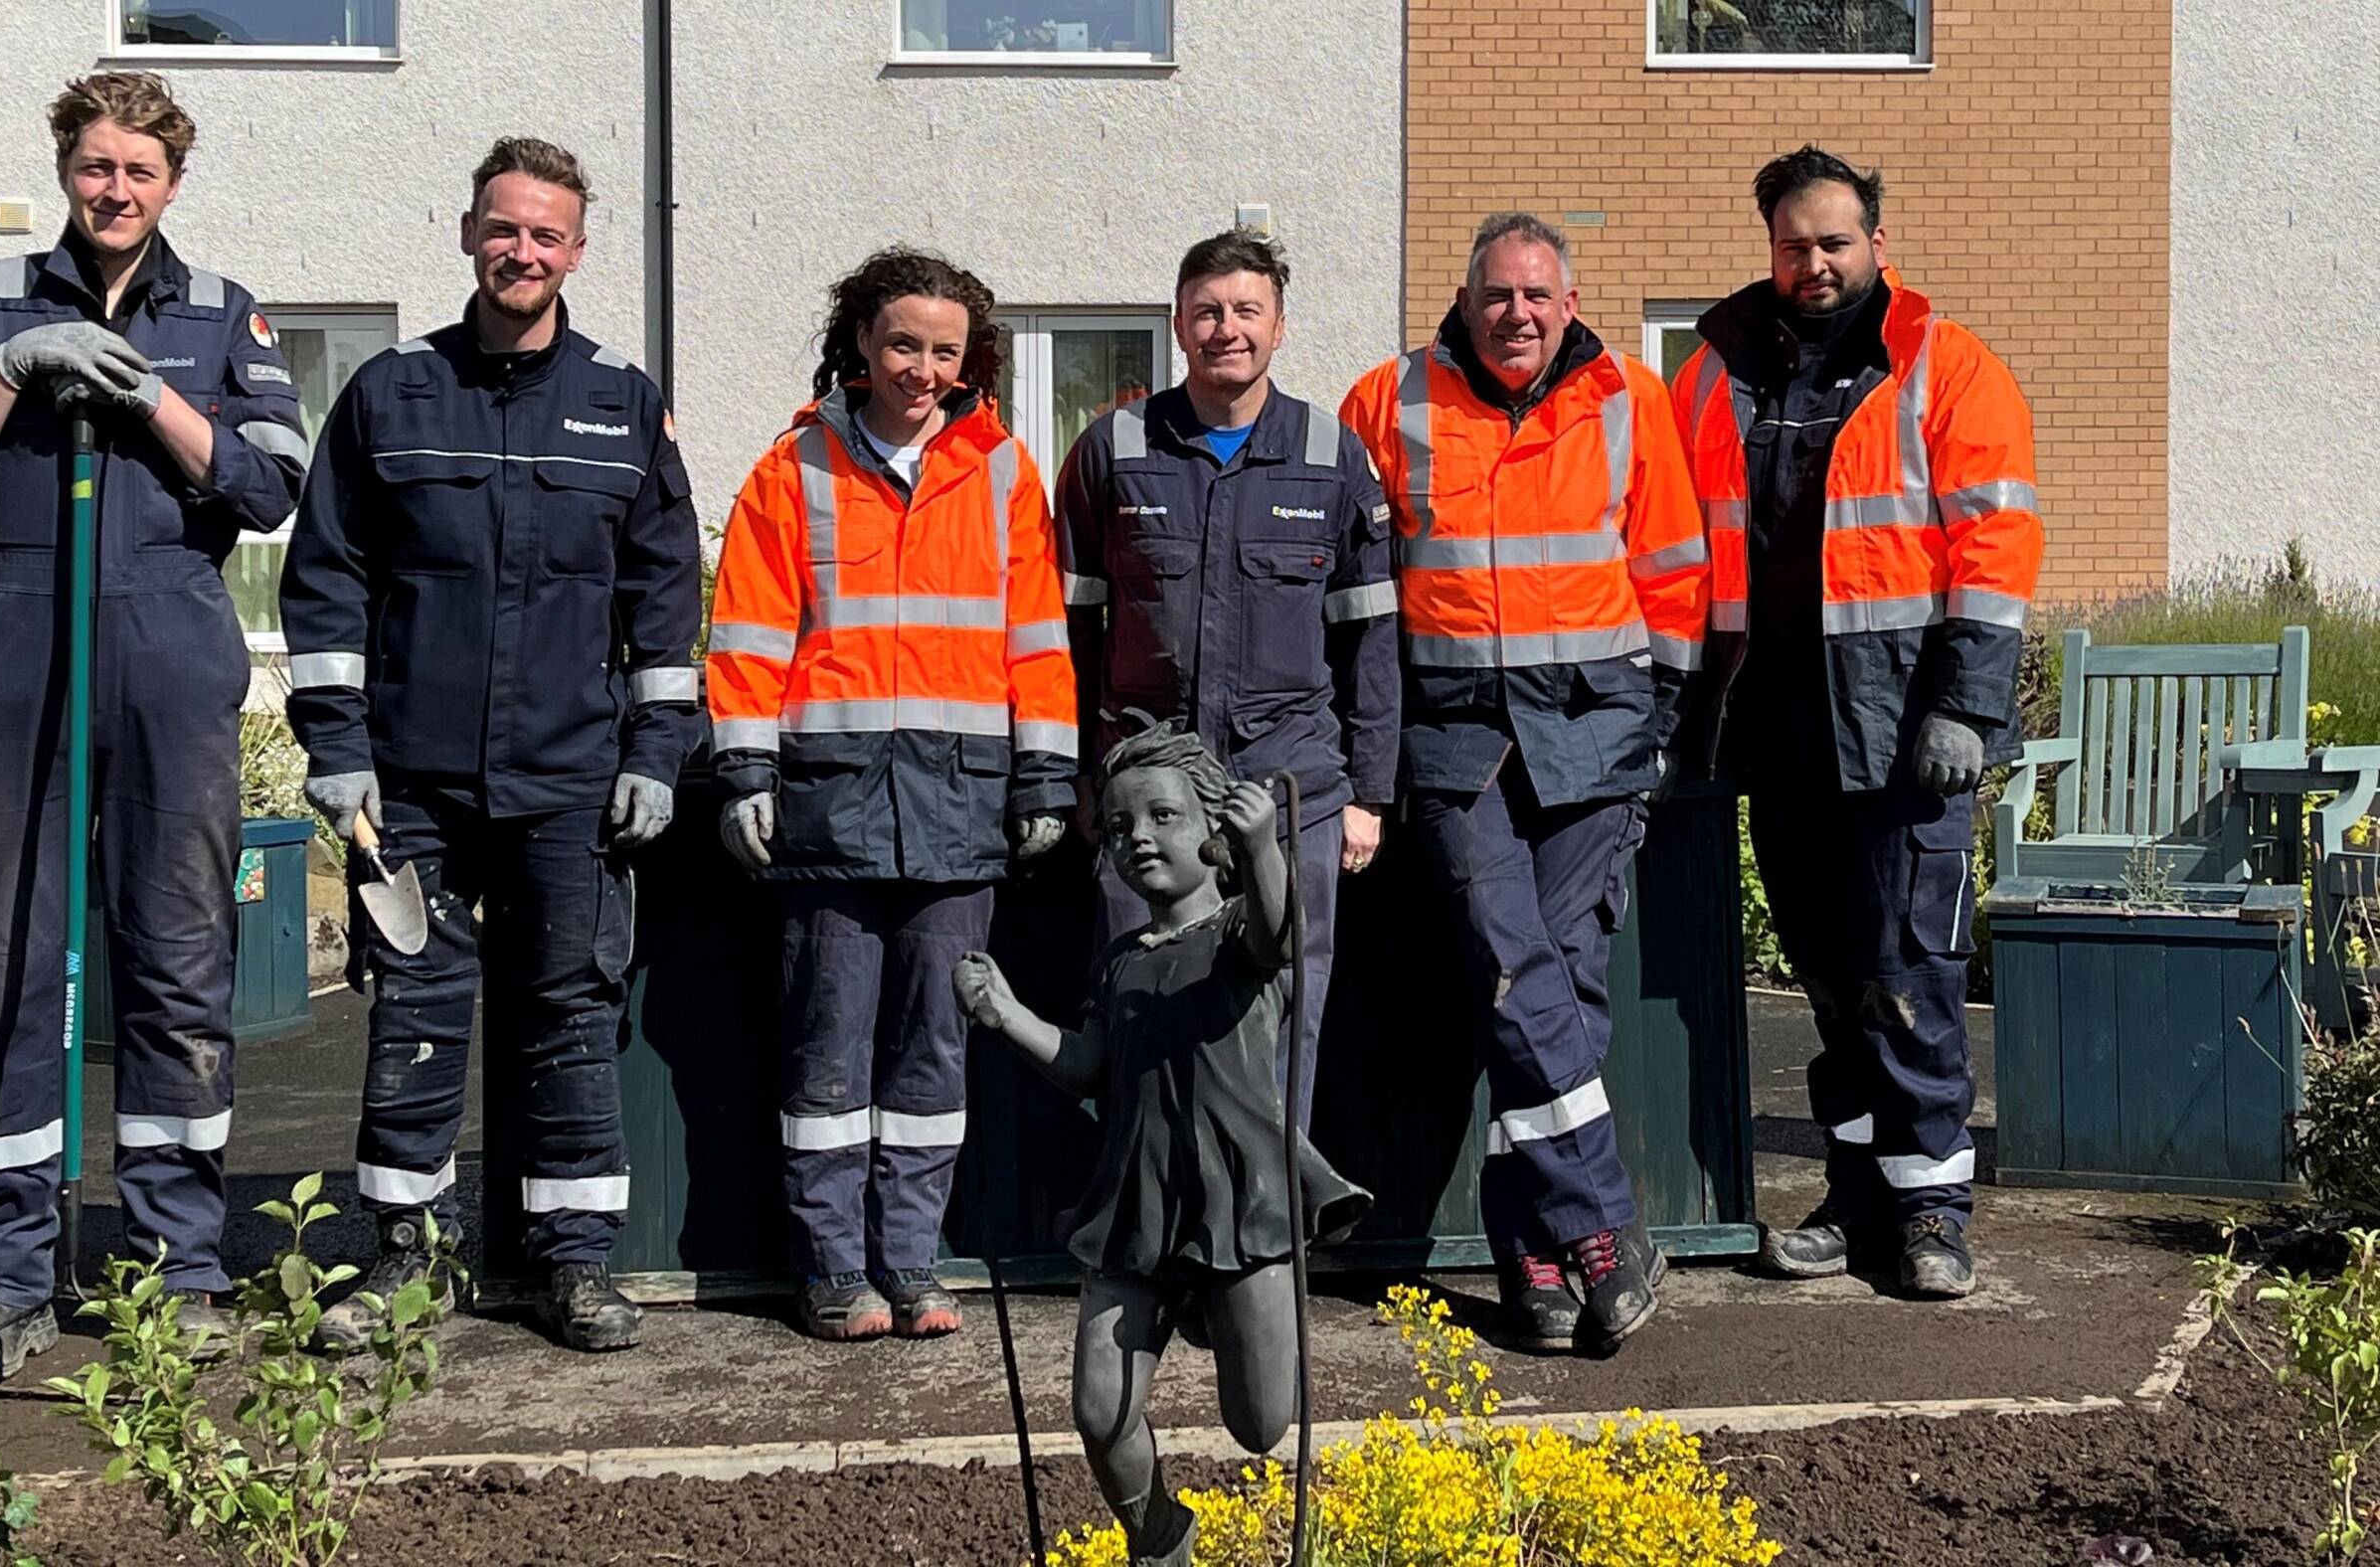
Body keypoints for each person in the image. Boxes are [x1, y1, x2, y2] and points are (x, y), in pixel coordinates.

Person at [0, 73, 304, 1378]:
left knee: (182, 956)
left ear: (174, 181)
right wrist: (15, 373)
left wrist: (151, 403)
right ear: (64, 168)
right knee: (8, 962)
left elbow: (271, 479)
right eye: (94, 168)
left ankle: (177, 1264)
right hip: (18, 643)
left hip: (170, 647)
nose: (115, 192)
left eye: (141, 172)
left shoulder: (224, 314)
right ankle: (9, 1265)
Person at [279, 136, 701, 1353]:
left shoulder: (623, 403)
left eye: (547, 234)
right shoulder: (389, 394)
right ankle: (403, 1260)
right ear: (468, 232)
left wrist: (654, 753)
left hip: (572, 780)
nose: (523, 251)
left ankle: (571, 1266)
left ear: (577, 250)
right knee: (413, 1005)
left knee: (571, 1007)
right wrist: (336, 747)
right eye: (503, 228)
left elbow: (665, 600)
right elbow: (328, 580)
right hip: (406, 786)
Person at [1669, 147, 2041, 1300]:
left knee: (1908, 971)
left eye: (1833, 241)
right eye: (1793, 245)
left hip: (1902, 730)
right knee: (1831, 980)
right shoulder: (1716, 368)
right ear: (1769, 250)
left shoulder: (1945, 365)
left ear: (1878, 244)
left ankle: (1933, 1211)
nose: (1813, 262)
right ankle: (1854, 1196)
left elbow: (1994, 547)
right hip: (1776, 728)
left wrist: (1967, 707)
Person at [1339, 213, 1708, 1353]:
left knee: (1566, 990)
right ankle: (1605, 1221)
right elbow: (1356, 601)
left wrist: (1662, 725)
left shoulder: (1628, 398)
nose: (1519, 314)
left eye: (1539, 295)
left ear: (1571, 297)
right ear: (1466, 297)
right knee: (1513, 972)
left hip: (1593, 738)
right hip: (1453, 747)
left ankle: (1537, 1258)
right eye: (1499, 294)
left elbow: (1674, 568)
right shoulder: (1384, 402)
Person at [705, 248, 1078, 1341]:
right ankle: (831, 1272)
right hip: (827, 811)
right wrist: (742, 770)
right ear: (862, 344)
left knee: (932, 1053)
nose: (922, 368)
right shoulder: (793, 472)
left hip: (962, 813)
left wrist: (1046, 773)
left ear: (971, 363)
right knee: (827, 1045)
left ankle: (909, 1263)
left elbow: (1037, 641)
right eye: (903, 344)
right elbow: (747, 641)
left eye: (944, 351)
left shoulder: (1005, 473)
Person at [953, 721, 1369, 1567]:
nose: (1139, 836)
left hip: (1241, 1199)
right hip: (1136, 1203)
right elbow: (1088, 1064)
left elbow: (1284, 932)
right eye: (1119, 825)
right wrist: (1007, 1016)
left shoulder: (1241, 940)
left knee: (1261, 1425)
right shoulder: (1119, 962)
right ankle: (1159, 1536)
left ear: (1214, 830)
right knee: (1099, 1410)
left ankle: (1220, 1308)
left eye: (1164, 818)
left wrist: (1263, 849)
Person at [1054, 228, 1399, 1132]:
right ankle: (1150, 1238)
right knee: (1138, 1010)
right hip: (1147, 786)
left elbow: (1369, 642)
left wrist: (1367, 793)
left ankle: (1265, 1235)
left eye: (1247, 310)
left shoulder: (1331, 453)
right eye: (1207, 311)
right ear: (1177, 323)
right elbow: (1070, 630)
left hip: (1292, 788)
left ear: (1280, 326)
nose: (1226, 329)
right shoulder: (1112, 448)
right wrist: (1083, 773)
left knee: (1287, 1012)